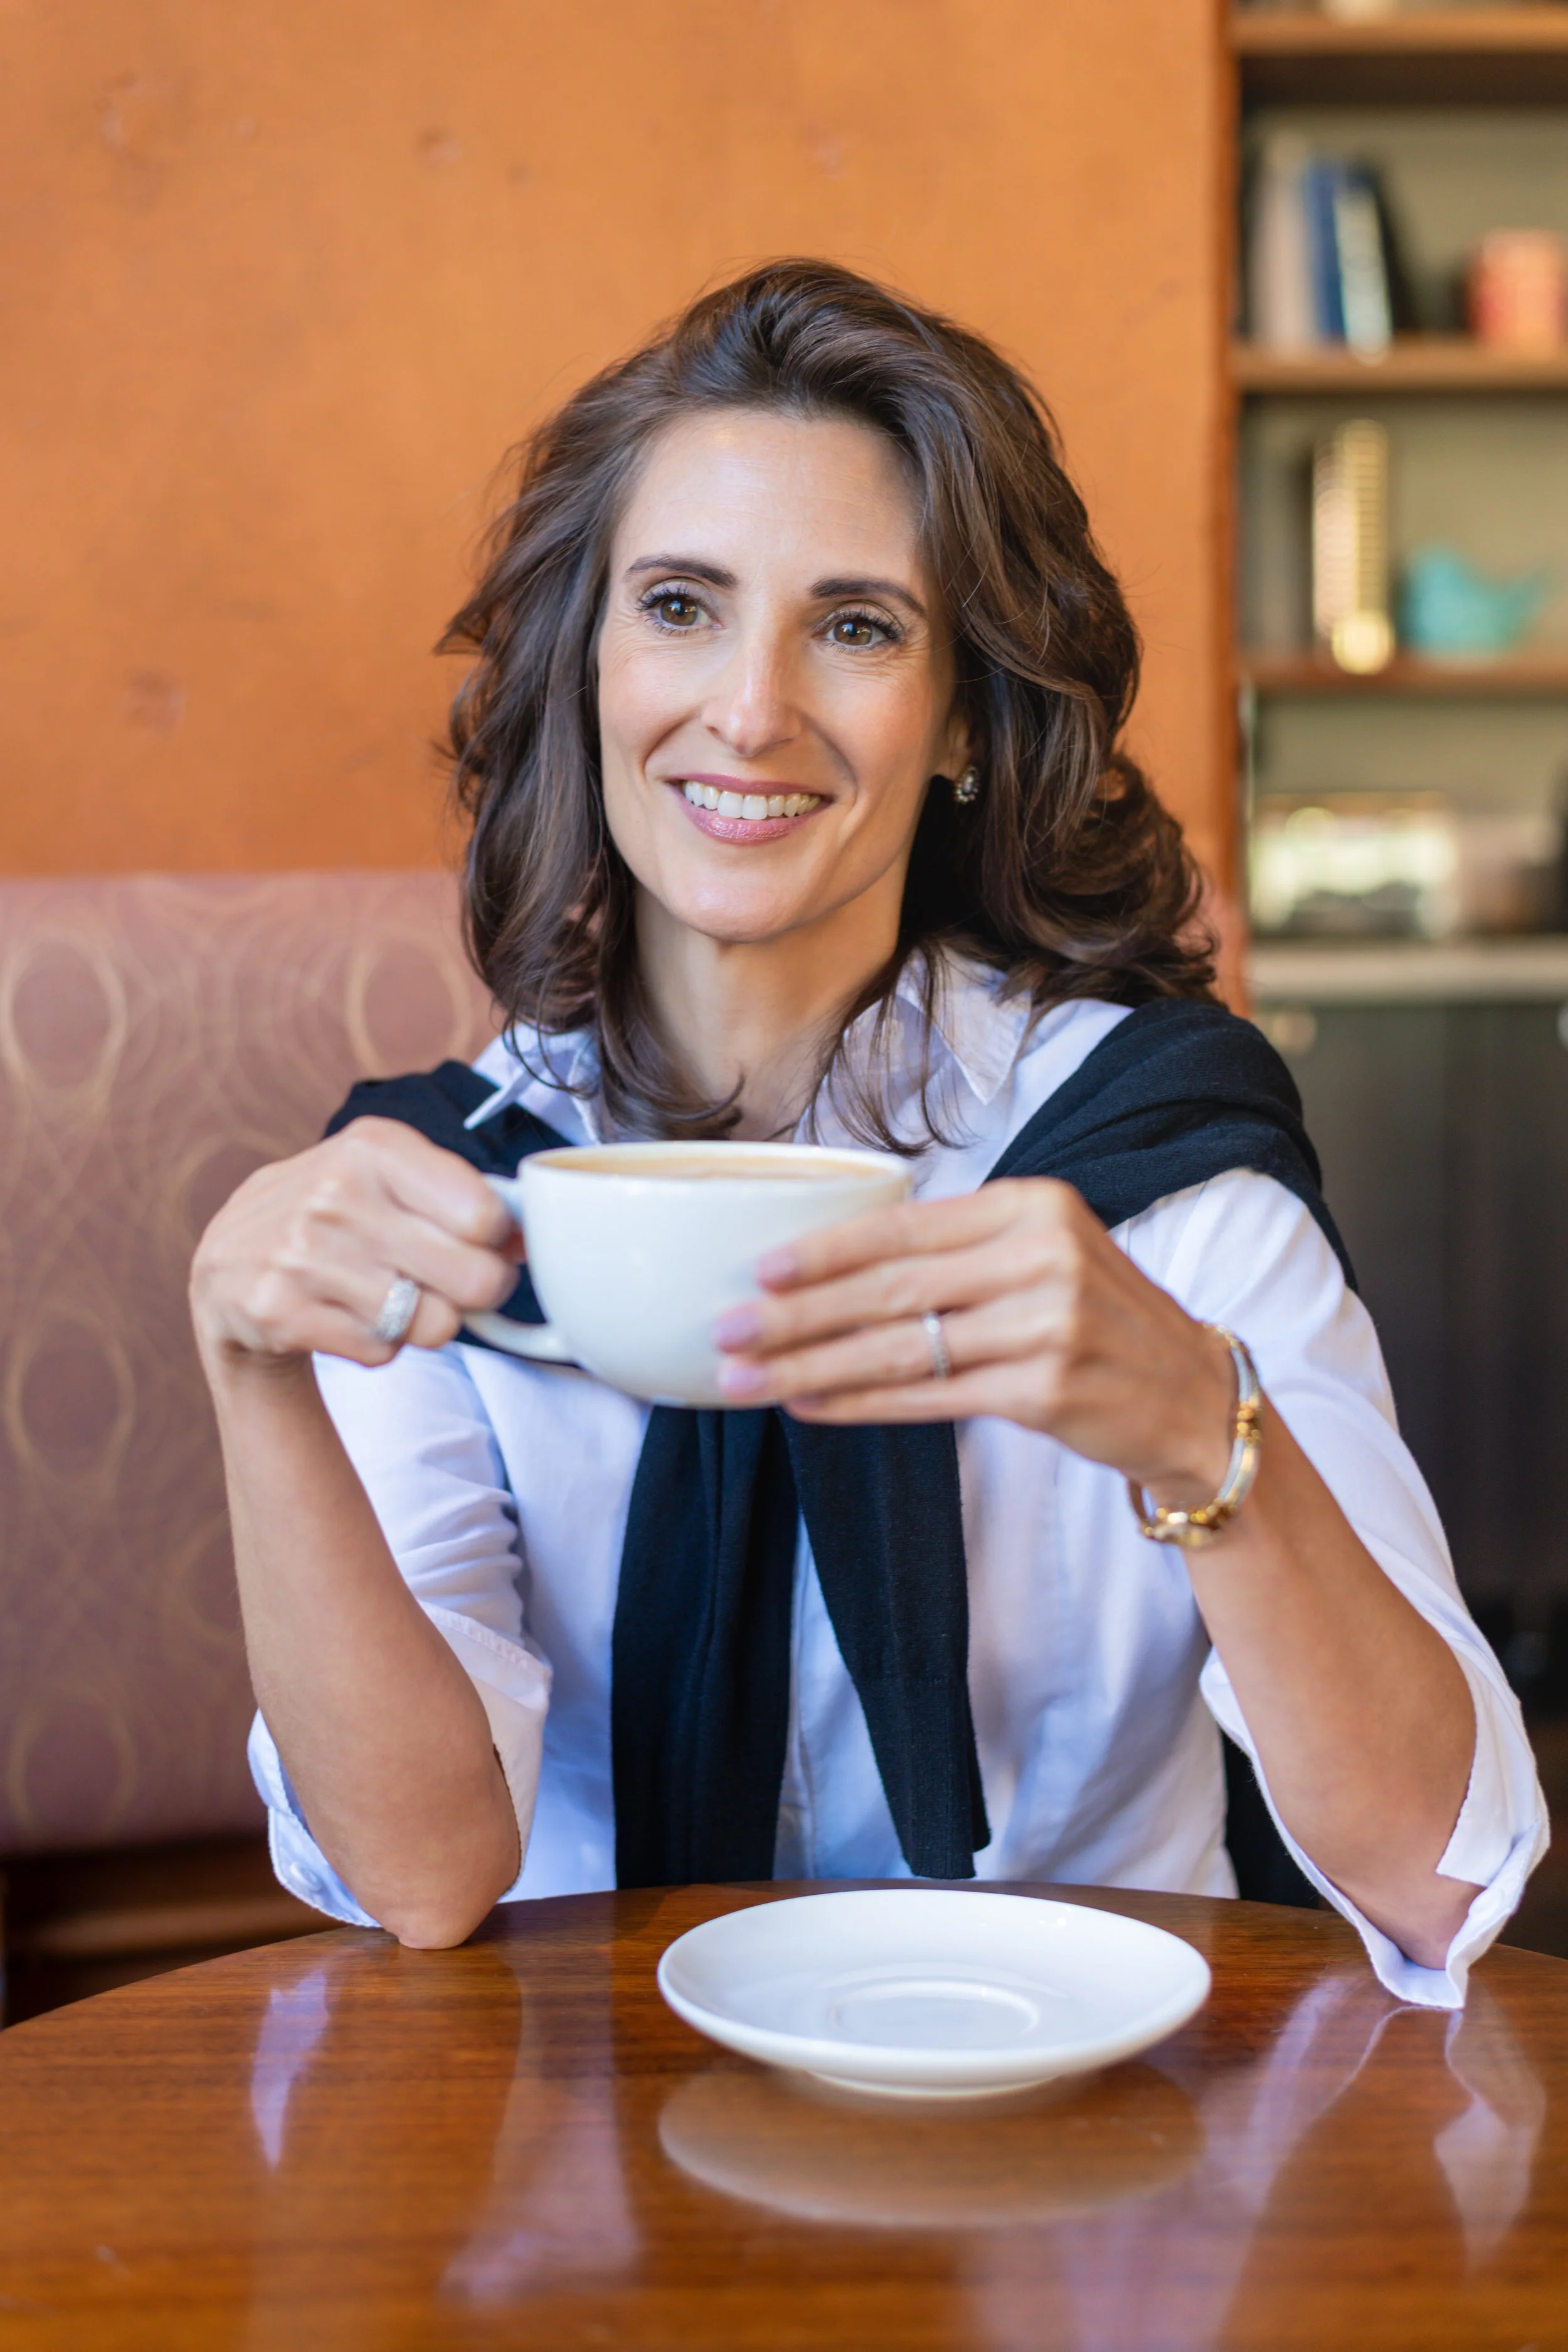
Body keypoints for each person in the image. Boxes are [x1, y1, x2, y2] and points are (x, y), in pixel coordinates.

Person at [191, 261, 1544, 2006]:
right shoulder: (440, 1195)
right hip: (585, 2160)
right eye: (677, 604)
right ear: (585, 663)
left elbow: (1443, 1877)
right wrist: (252, 1371)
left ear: (969, 712)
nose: (748, 708)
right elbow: (425, 1868)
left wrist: (1208, 1440)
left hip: (1114, 2161)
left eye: (855, 625)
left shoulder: (1156, 1165)